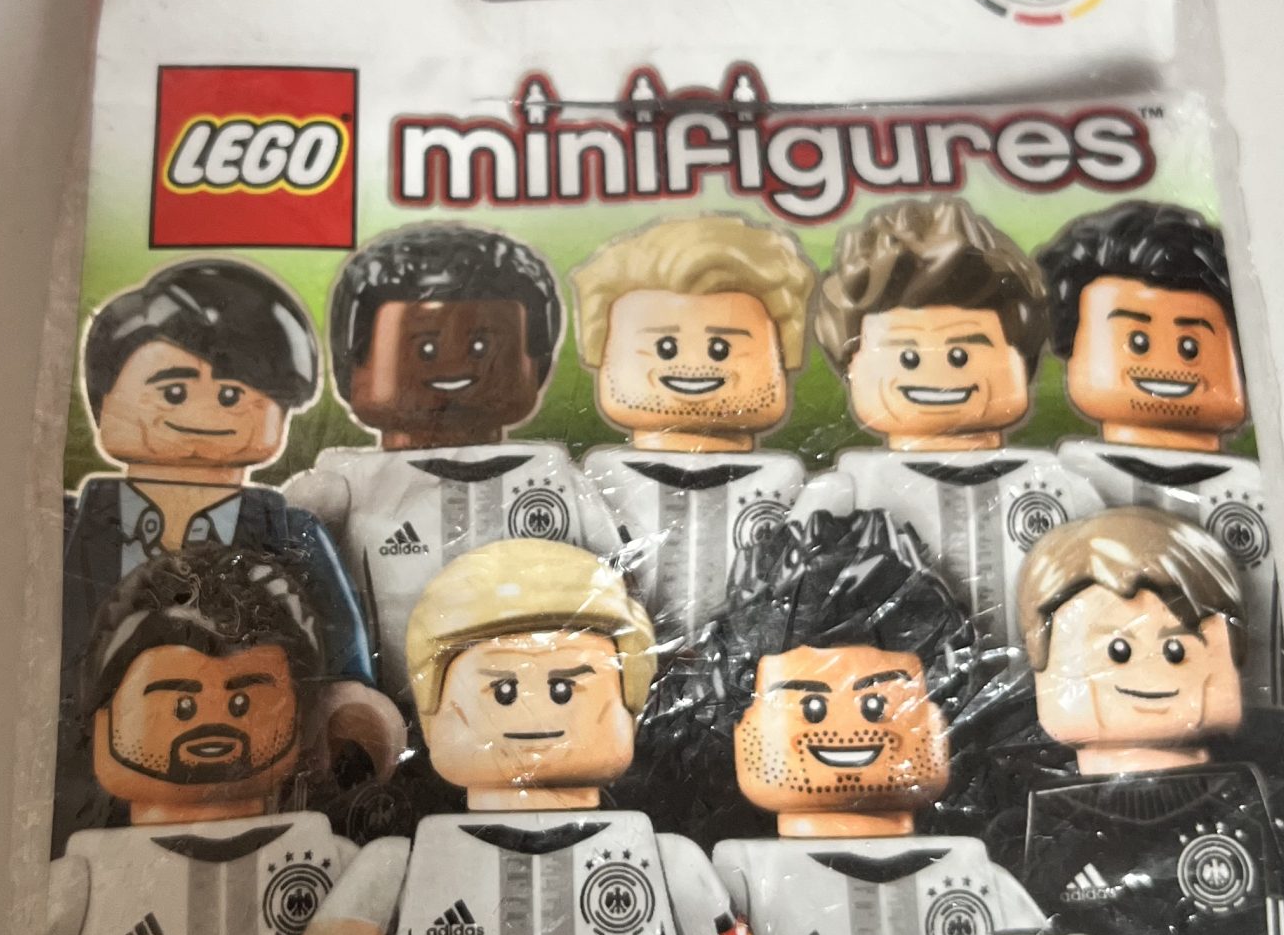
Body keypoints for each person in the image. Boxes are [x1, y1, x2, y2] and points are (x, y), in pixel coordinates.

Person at [291, 543, 777, 935]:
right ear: (433, 712)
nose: (533, 711)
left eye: (564, 688)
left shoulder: (666, 860)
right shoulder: (402, 863)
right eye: (502, 690)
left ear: (630, 704)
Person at [641, 511, 1047, 935]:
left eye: (877, 703)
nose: (847, 728)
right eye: (809, 705)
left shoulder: (978, 877)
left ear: (942, 716)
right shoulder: (741, 878)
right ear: (740, 726)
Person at [988, 506, 1284, 935]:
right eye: (1117, 649)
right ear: (1041, 667)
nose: (1150, 669)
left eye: (1177, 648)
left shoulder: (1265, 806)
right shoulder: (1022, 826)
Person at [34, 548, 361, 935]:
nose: (213, 724)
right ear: (99, 720)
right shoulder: (85, 878)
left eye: (243, 700)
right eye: (178, 703)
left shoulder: (324, 858)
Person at [59, 260, 400, 847]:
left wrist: (346, 728)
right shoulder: (66, 531)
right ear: (103, 398)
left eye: (233, 395)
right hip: (81, 796)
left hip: (252, 789)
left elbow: (343, 669)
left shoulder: (289, 532)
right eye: (172, 391)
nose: (204, 413)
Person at [284, 225, 620, 702]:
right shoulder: (347, 485)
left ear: (538, 363)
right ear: (351, 366)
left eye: (483, 346)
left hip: (536, 705)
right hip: (386, 708)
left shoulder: (553, 476)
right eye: (424, 346)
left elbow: (618, 578)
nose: (454, 367)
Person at [795, 198, 1099, 697]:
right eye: (907, 356)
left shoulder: (1064, 490)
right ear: (850, 367)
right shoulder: (844, 497)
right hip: (886, 718)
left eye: (962, 353)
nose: (937, 373)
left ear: (1023, 360)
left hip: (1049, 712)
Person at [1036, 200, 1283, 705]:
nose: (1168, 364)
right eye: (1136, 340)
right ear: (1070, 348)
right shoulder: (1058, 484)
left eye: (1192, 345)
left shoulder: (1271, 493)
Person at [570, 214, 816, 656]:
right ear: (600, 355)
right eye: (663, 346)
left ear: (785, 357)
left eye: (722, 347)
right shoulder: (588, 484)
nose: (694, 366)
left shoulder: (788, 483)